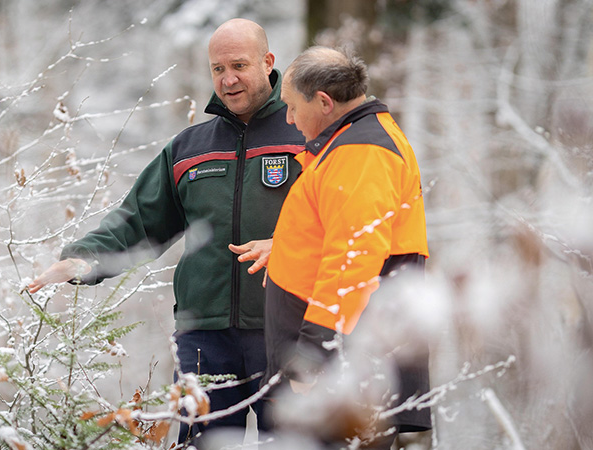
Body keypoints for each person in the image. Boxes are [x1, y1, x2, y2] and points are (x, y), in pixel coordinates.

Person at [28, 19, 304, 446]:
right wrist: (84, 257)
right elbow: (139, 220)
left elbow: (341, 226)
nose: (227, 80)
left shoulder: (308, 136)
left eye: (239, 65)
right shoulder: (189, 148)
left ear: (268, 62)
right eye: (217, 69)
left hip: (287, 330)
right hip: (205, 340)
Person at [261, 46, 431, 448]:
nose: (288, 118)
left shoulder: (362, 152)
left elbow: (353, 260)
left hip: (347, 371)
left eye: (290, 106)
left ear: (323, 102)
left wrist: (314, 356)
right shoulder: (353, 143)